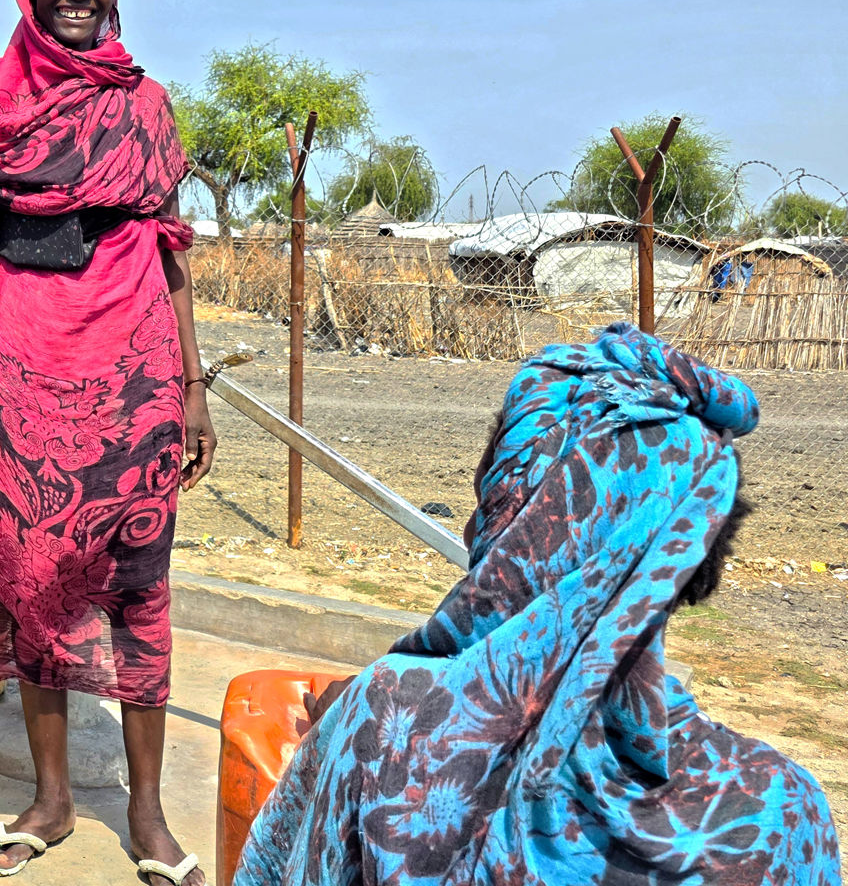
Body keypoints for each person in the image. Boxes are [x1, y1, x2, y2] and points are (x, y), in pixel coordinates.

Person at [234, 325, 842, 885]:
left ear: (516, 536)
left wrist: (354, 725)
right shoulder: (785, 815)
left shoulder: (383, 723)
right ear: (685, 554)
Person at [0, 0, 215, 884]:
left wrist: (192, 387)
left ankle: (145, 813)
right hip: (27, 363)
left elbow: (172, 258)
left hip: (135, 364)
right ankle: (52, 800)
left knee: (141, 582)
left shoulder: (148, 105)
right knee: (35, 572)